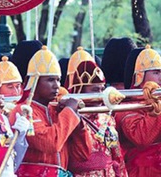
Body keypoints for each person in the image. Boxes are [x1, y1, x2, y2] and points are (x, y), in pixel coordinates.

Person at [9, 46, 92, 177]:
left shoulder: (57, 110)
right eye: (50, 80)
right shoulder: (23, 110)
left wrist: (79, 122)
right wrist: (70, 111)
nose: (57, 85)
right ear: (34, 81)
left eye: (58, 80)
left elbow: (82, 154)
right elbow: (50, 144)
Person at [66, 60, 127, 177]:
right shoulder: (70, 118)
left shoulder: (107, 118)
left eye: (101, 89)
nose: (100, 96)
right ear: (81, 90)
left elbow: (117, 155)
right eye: (95, 90)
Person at [115, 45, 161, 176]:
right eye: (156, 72)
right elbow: (142, 137)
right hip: (140, 172)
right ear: (140, 76)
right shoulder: (126, 107)